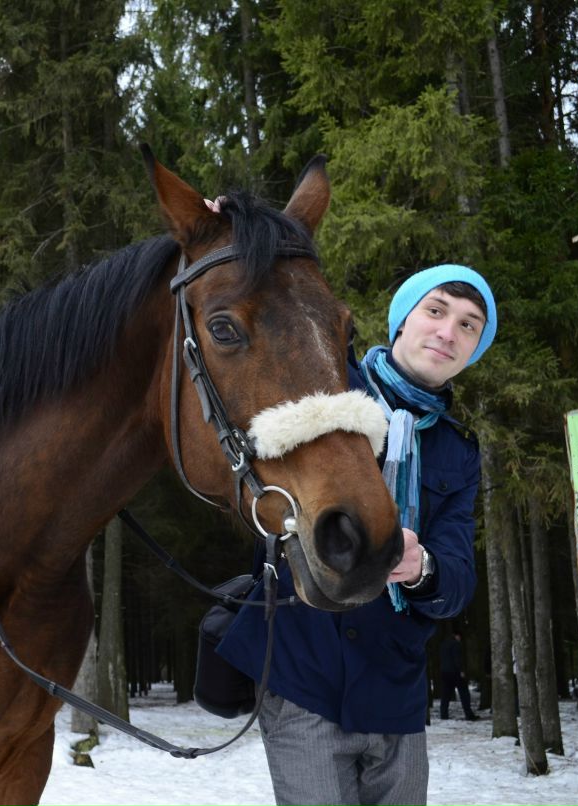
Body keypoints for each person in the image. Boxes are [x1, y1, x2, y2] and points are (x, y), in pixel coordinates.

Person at [216, 264, 497, 806]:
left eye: (468, 325)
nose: (447, 332)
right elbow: (264, 305)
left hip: (396, 691)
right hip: (303, 674)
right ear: (401, 322)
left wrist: (421, 567)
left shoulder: (458, 452)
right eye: (435, 311)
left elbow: (458, 582)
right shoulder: (327, 383)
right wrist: (227, 227)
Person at [439, 628, 479, 721]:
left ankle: (443, 714)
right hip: (455, 673)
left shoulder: (443, 644)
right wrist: (461, 670)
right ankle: (469, 714)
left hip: (445, 672)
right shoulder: (456, 644)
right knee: (464, 693)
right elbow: (457, 659)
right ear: (457, 636)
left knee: (445, 695)